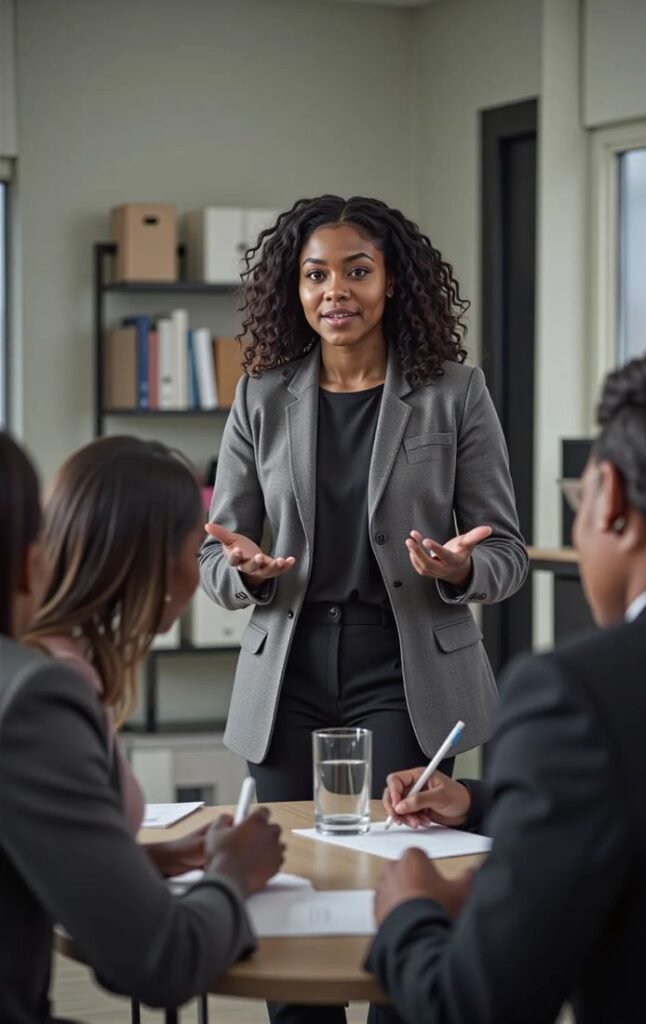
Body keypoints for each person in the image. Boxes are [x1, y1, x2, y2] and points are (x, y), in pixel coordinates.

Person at [370, 343, 646, 1024]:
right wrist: (483, 804)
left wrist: (408, 911)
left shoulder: (578, 696)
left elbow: (474, 1008)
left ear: (610, 499)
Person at [200, 194, 527, 806]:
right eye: (316, 275)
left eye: (357, 271)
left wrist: (461, 569)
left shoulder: (455, 393)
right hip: (287, 670)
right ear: (296, 289)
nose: (335, 291)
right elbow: (214, 556)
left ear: (391, 282)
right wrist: (245, 572)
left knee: (396, 840)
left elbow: (507, 553)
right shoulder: (259, 398)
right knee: (286, 845)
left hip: (406, 670)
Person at [0, 431, 285, 1023]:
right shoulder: (38, 696)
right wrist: (233, 875)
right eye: (195, 545)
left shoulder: (44, 670)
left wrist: (144, 862)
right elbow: (160, 961)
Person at [26, 435, 224, 875]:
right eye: (197, 550)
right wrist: (235, 875)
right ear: (156, 560)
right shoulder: (59, 684)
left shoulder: (50, 659)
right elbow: (88, 891)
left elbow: (61, 861)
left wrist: (164, 856)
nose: (198, 572)